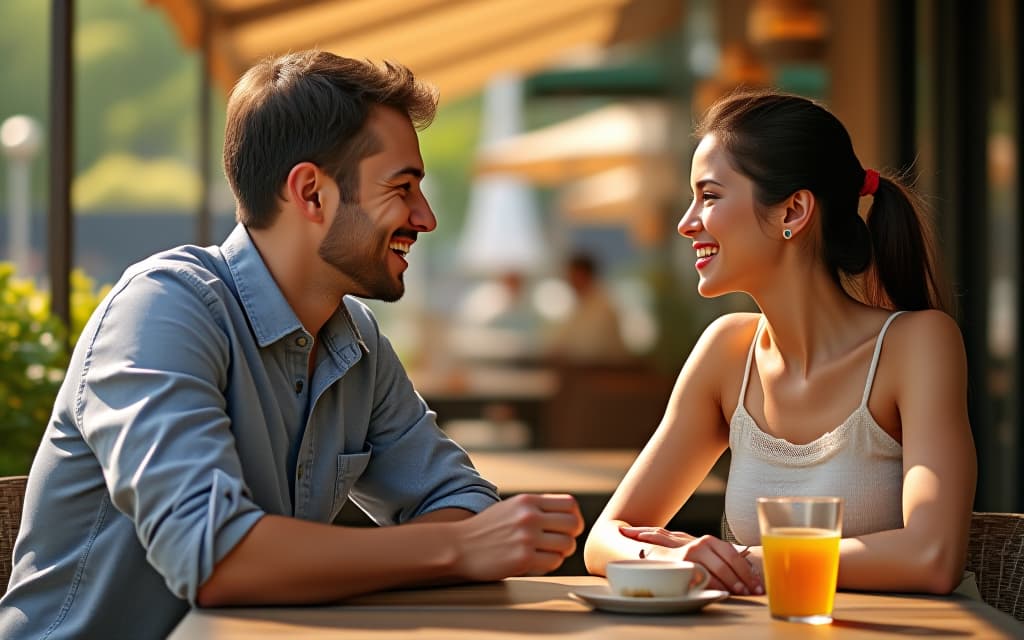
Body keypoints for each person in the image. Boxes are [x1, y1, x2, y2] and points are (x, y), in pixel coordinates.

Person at [0, 51, 583, 639]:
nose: (425, 217)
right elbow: (217, 557)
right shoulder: (160, 310)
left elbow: (464, 500)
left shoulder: (355, 341)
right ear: (311, 193)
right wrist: (455, 548)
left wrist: (458, 541)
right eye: (402, 187)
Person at [583, 89, 977, 597]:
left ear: (793, 211)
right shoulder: (726, 352)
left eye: (709, 195)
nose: (686, 222)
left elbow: (933, 556)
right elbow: (603, 540)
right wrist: (673, 555)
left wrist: (744, 563)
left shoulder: (917, 345)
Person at [545, 252, 630, 363]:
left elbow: (591, 348)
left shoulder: (603, 307)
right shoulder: (578, 305)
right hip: (587, 371)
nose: (569, 280)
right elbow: (558, 340)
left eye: (573, 275)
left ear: (586, 276)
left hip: (605, 373)